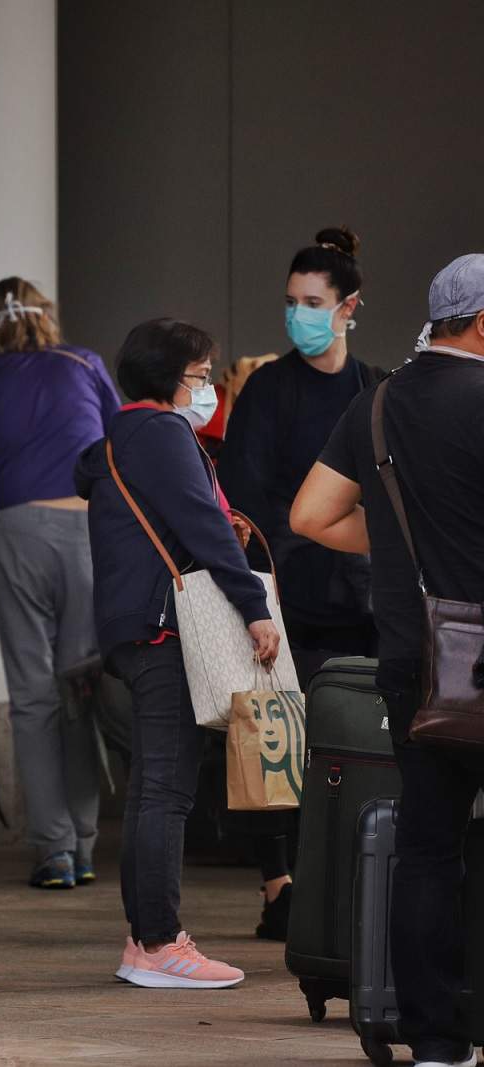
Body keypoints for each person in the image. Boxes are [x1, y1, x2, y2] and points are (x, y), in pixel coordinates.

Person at [292, 253, 484, 1067]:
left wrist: (405, 551)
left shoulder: (377, 403)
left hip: (418, 664)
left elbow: (310, 514)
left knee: (429, 848)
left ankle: (437, 1042)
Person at [74, 318, 280, 990]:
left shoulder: (119, 437)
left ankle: (147, 939)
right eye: (200, 374)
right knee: (166, 787)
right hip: (165, 626)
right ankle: (159, 942)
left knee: (151, 788)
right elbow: (203, 525)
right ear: (169, 376)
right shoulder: (163, 432)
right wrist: (254, 605)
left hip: (135, 625)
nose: (207, 387)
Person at [219, 226, 380, 941]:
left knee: (355, 744)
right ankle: (279, 884)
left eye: (312, 302)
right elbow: (243, 498)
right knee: (277, 739)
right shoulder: (268, 389)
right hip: (285, 597)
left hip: (364, 600)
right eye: (291, 301)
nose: (297, 314)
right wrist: (261, 589)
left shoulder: (374, 388)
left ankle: (352, 879)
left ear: (349, 307)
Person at [0, 277, 115, 891]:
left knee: (32, 697)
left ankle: (54, 851)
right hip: (90, 532)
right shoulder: (84, 363)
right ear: (46, 316)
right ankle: (86, 844)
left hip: (17, 534)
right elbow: (124, 447)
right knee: (80, 689)